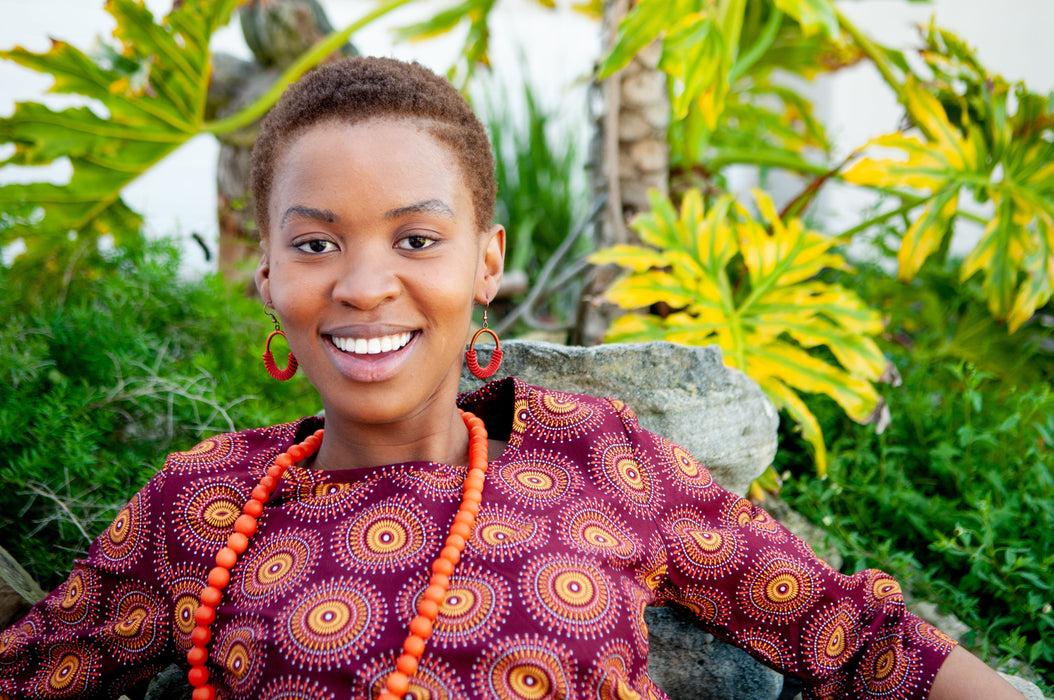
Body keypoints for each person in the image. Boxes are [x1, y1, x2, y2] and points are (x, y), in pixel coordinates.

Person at [0, 56, 1024, 700]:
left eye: (416, 236)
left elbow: (853, 636)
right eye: (315, 245)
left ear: (484, 262)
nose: (363, 285)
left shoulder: (596, 452)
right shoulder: (202, 504)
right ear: (263, 271)